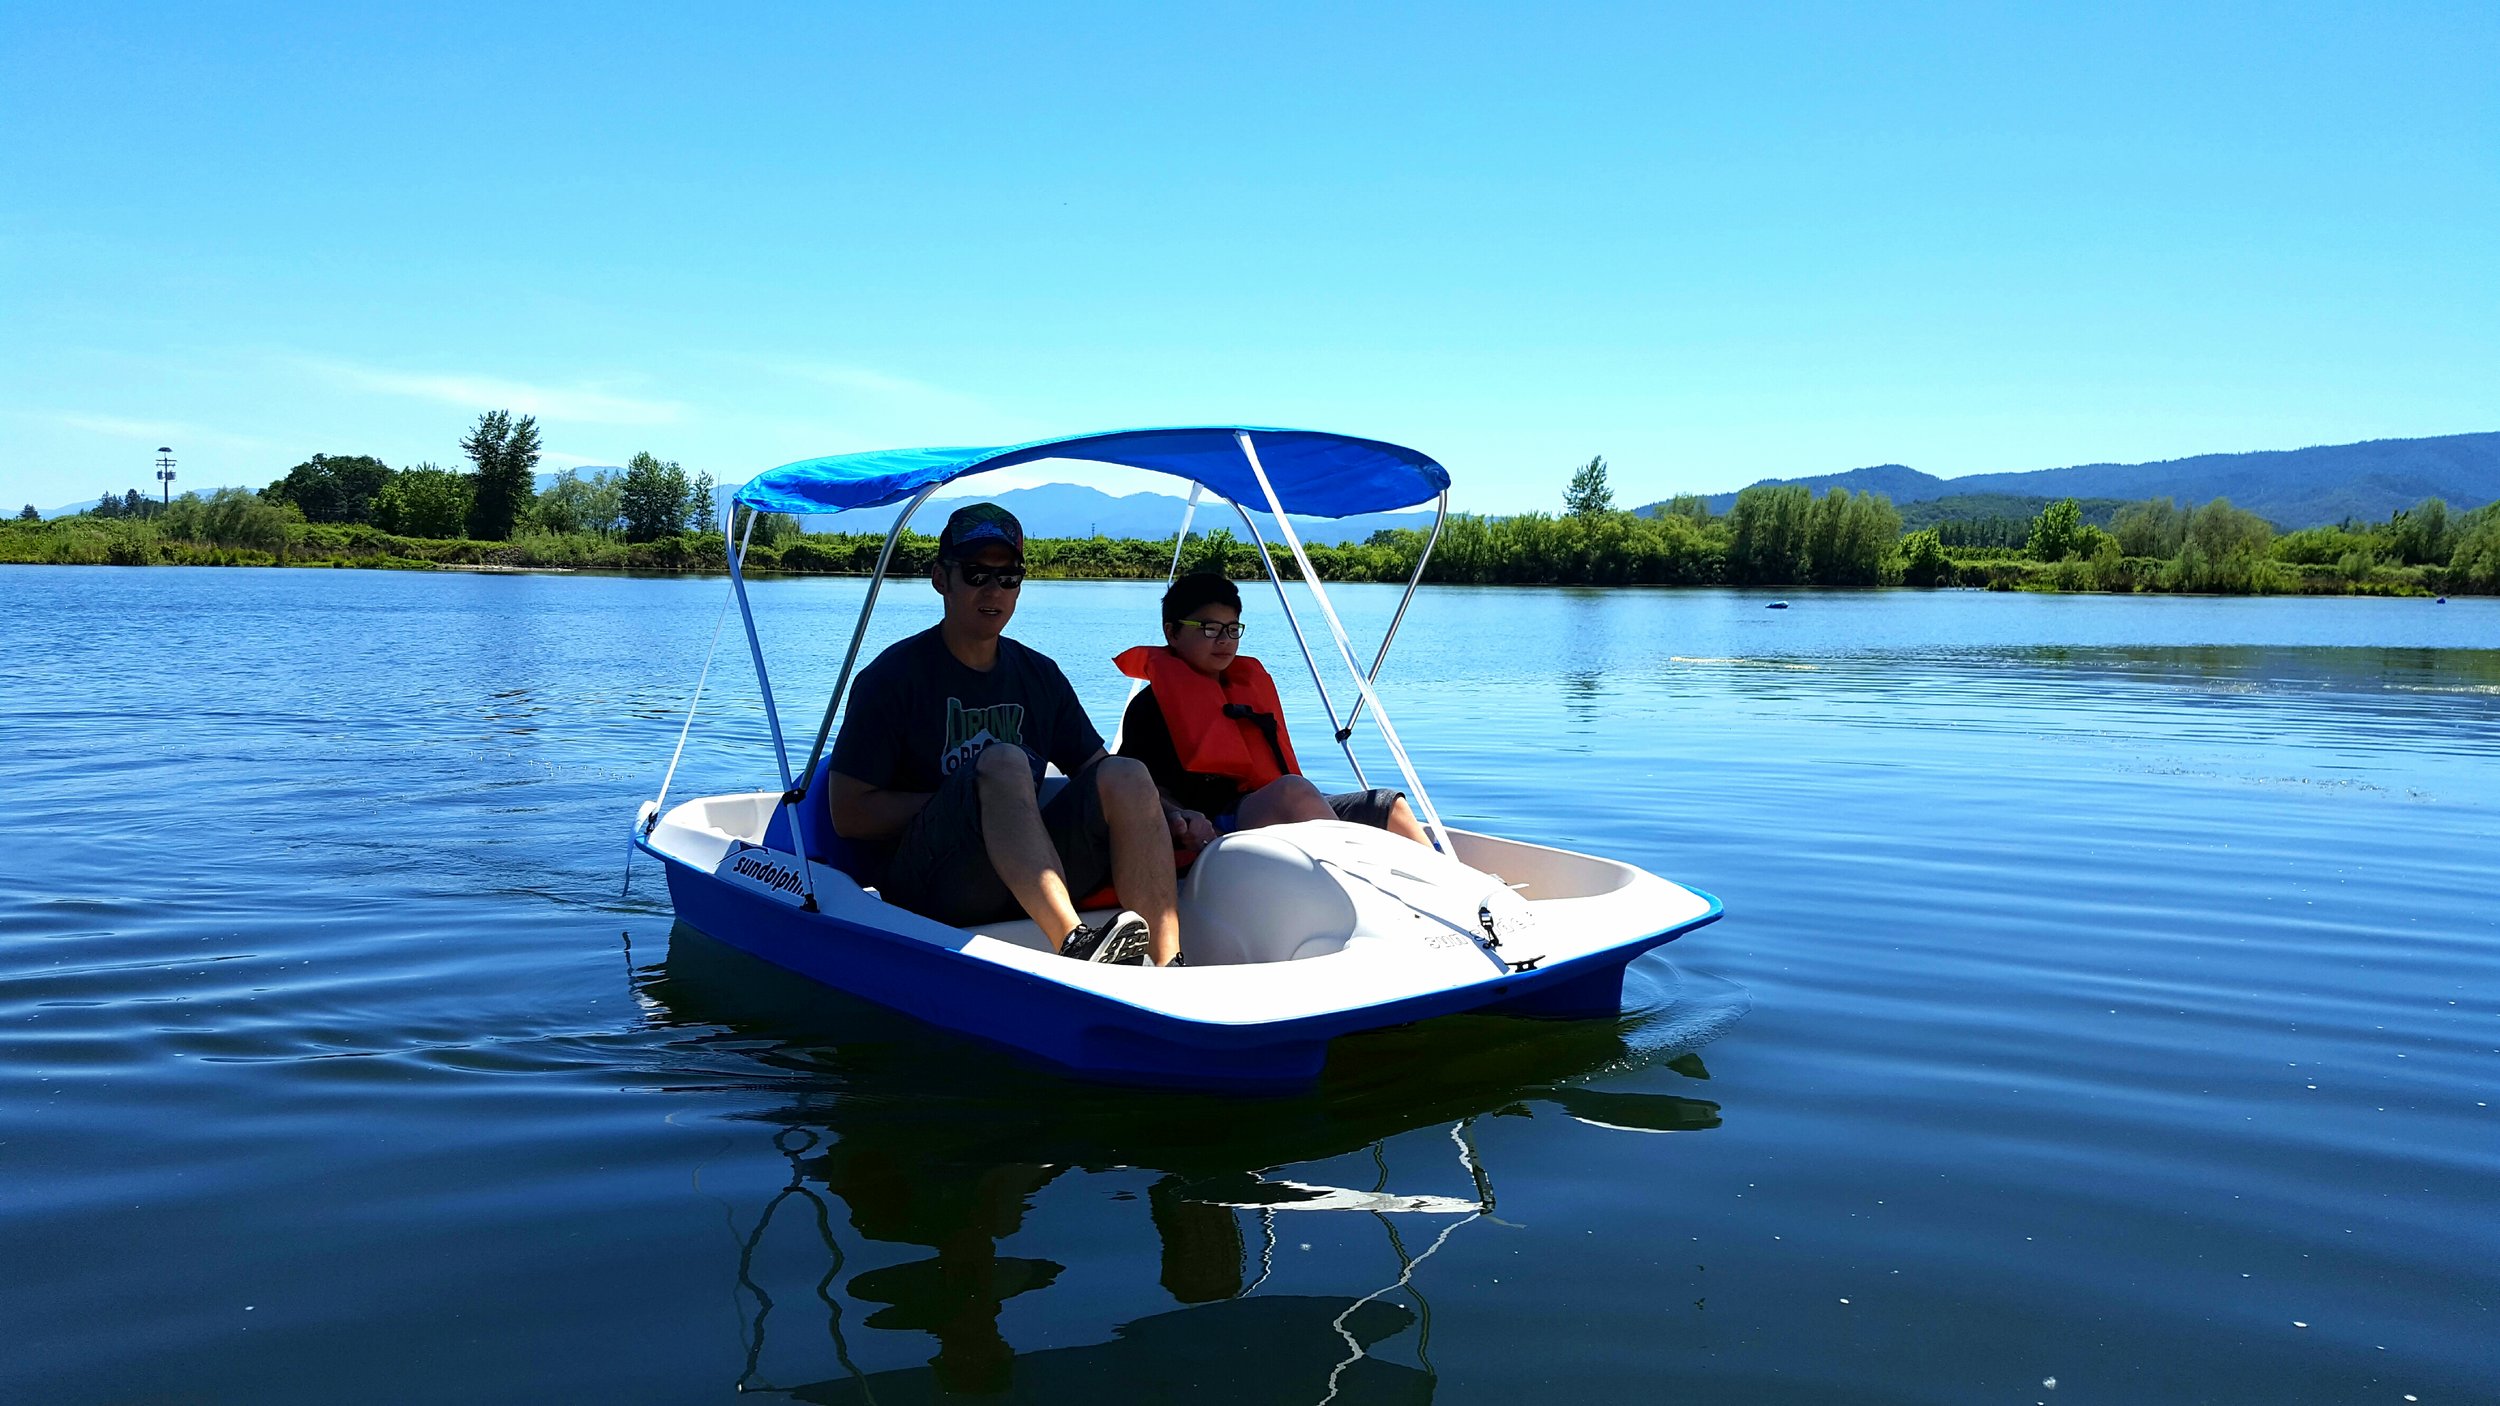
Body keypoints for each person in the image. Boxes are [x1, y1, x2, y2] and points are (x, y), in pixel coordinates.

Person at [827, 503, 1180, 966]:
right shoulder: (892, 679)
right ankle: (1075, 943)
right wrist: (981, 799)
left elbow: (1095, 770)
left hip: (1024, 876)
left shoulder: (1039, 674)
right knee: (1005, 762)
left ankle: (1168, 964)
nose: (993, 589)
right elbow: (848, 814)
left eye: (1008, 577)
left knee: (1129, 773)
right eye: (975, 574)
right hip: (932, 884)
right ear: (941, 580)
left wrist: (1173, 813)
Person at [1115, 572, 1430, 849]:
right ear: (1172, 632)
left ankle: (1458, 900)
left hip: (1275, 804)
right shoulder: (1149, 708)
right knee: (1294, 791)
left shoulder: (1244, 694)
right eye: (1210, 629)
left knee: (1390, 806)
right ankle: (1357, 891)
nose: (1224, 640)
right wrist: (1178, 815)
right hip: (1218, 822)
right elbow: (1140, 787)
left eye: (1232, 628)